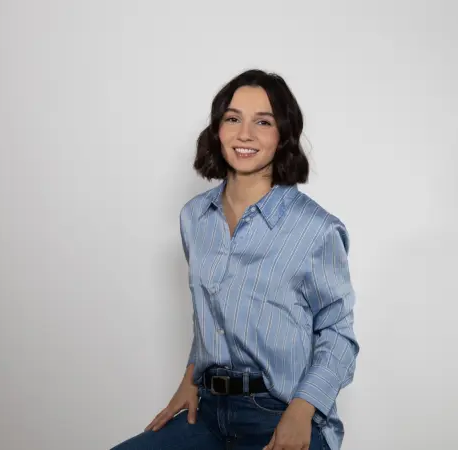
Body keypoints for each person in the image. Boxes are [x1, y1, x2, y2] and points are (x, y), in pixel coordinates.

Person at [112, 69, 359, 450]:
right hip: (209, 412)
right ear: (217, 131)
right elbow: (210, 314)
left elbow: (338, 335)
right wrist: (190, 379)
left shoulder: (317, 230)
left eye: (263, 122)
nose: (245, 134)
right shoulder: (195, 218)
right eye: (233, 119)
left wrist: (301, 411)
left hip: (280, 413)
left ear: (283, 137)